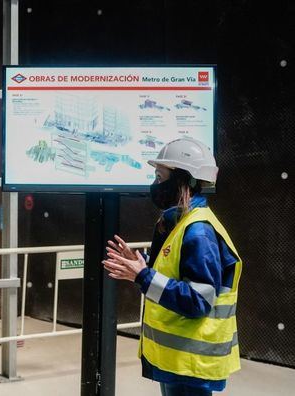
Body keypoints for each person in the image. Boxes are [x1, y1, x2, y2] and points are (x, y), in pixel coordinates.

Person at [102, 137, 242, 396]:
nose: (156, 185)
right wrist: (141, 263)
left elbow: (199, 300)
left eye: (160, 177)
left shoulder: (199, 232)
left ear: (183, 180)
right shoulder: (180, 223)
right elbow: (173, 270)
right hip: (180, 361)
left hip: (190, 363)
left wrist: (143, 276)